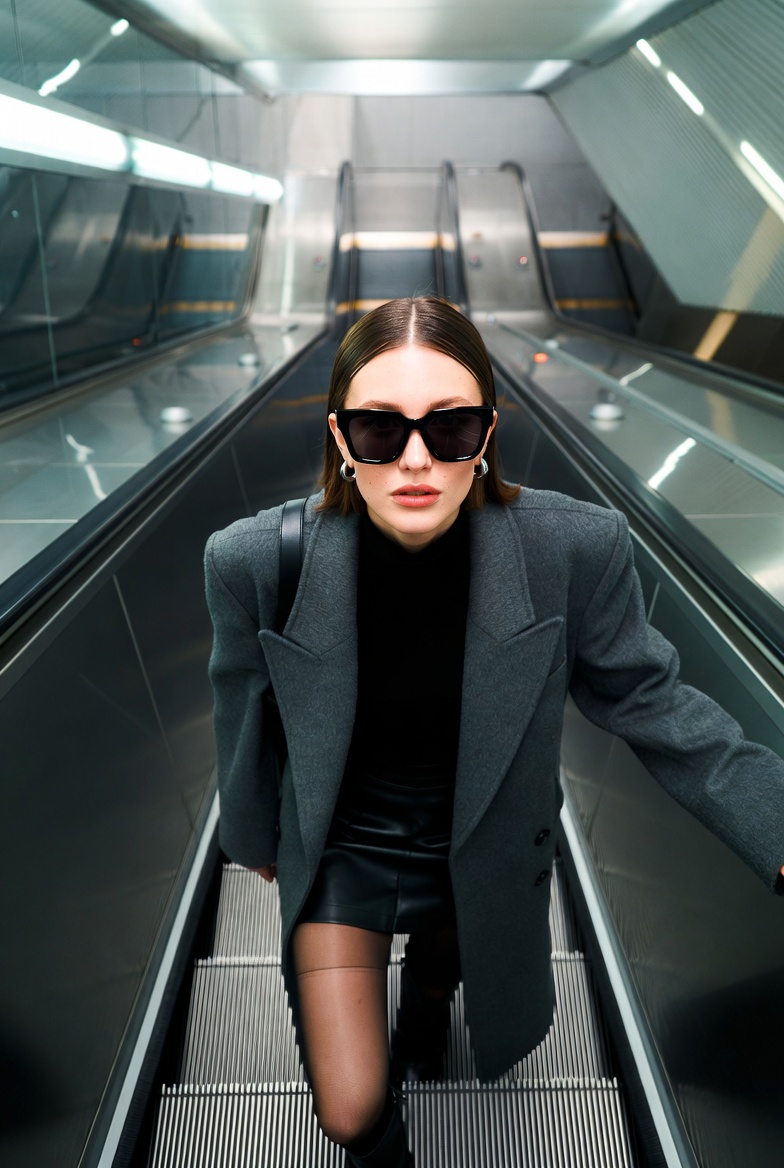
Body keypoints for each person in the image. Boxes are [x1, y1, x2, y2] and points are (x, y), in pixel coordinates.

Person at [205, 296, 784, 1168]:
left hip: (480, 839)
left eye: (450, 427)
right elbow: (240, 711)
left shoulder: (572, 551)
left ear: (486, 434)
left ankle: (428, 1015)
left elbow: (660, 709)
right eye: (377, 431)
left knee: (443, 977)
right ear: (337, 435)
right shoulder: (255, 560)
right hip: (341, 849)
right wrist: (255, 838)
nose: (413, 460)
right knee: (352, 1109)